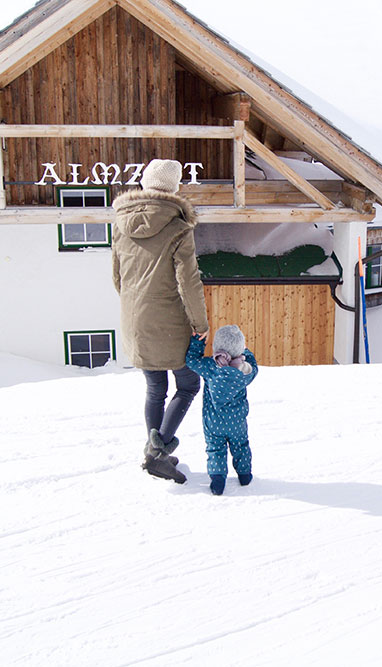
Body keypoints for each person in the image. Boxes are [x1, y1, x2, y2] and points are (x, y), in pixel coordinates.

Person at [112, 158, 209, 484]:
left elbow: (117, 277)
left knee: (155, 388)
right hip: (170, 322)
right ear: (174, 188)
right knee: (188, 385)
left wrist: (136, 307)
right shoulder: (179, 228)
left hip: (135, 320)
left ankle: (153, 450)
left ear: (144, 182)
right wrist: (200, 325)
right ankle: (158, 452)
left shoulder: (120, 224)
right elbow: (189, 282)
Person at [184, 324, 258, 496]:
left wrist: (198, 341)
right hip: (237, 422)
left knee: (215, 449)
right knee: (241, 446)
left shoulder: (210, 366)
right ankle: (245, 475)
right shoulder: (245, 370)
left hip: (213, 422)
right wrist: (246, 352)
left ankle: (218, 481)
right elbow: (255, 366)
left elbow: (191, 360)